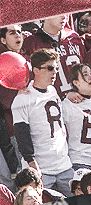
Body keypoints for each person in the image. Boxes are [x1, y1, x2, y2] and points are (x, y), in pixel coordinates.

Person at [10, 49, 76, 195]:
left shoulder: (52, 90)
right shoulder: (23, 99)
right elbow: (22, 135)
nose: (55, 72)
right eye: (50, 68)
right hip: (41, 169)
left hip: (64, 165)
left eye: (56, 68)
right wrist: (32, 164)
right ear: (36, 70)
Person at [62, 64, 91, 171]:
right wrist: (66, 96)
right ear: (75, 82)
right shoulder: (68, 104)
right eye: (85, 75)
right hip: (81, 162)